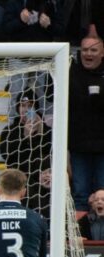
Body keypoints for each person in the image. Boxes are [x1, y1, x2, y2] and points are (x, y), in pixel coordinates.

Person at [68, 36, 104, 211]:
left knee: (102, 194)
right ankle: (80, 236)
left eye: (93, 50)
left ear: (102, 53)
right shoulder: (70, 73)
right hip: (79, 146)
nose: (88, 53)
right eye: (85, 50)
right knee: (81, 195)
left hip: (103, 147)